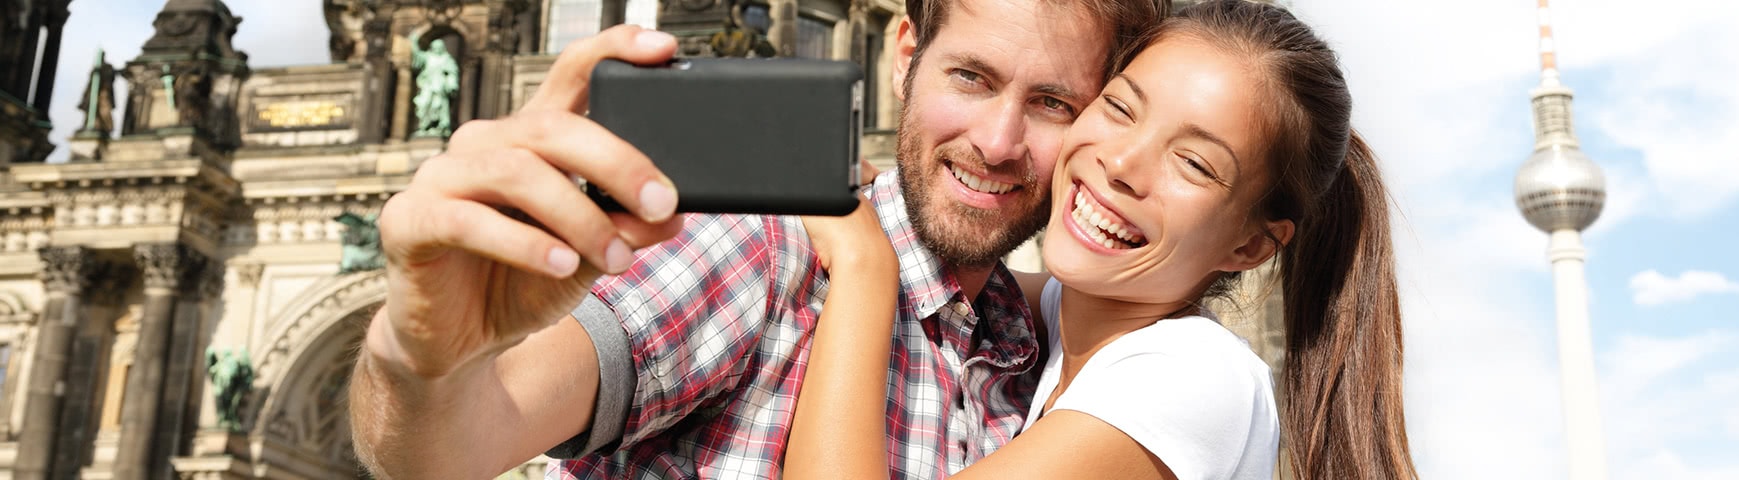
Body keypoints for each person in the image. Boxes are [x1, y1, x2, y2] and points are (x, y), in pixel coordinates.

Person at [347, 0, 1166, 478]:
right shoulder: (765, 247)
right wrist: (419, 359)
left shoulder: (1034, 347)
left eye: (1054, 103)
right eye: (972, 78)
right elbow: (443, 449)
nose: (997, 140)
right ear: (904, 55)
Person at [785, 1, 1419, 479]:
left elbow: (901, 265)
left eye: (1194, 164)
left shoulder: (1192, 377)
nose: (1121, 164)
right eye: (1120, 108)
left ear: (1249, 248)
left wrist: (865, 265)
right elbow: (947, 269)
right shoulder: (1072, 322)